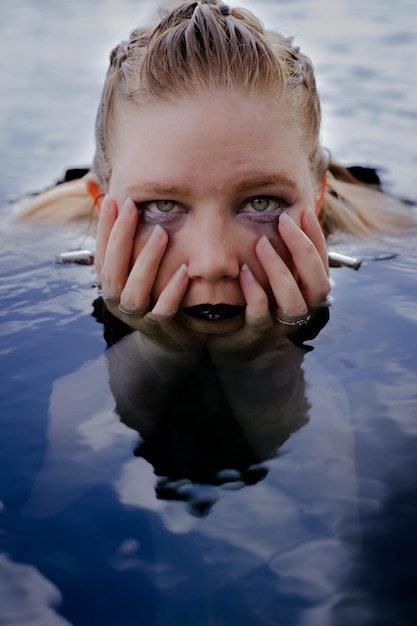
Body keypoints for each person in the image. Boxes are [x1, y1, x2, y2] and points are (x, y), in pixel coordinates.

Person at [17, 0, 416, 358]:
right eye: (162, 205)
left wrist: (273, 356)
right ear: (100, 204)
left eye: (262, 203)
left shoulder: (398, 238)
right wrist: (151, 351)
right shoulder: (27, 236)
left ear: (318, 199)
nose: (213, 264)